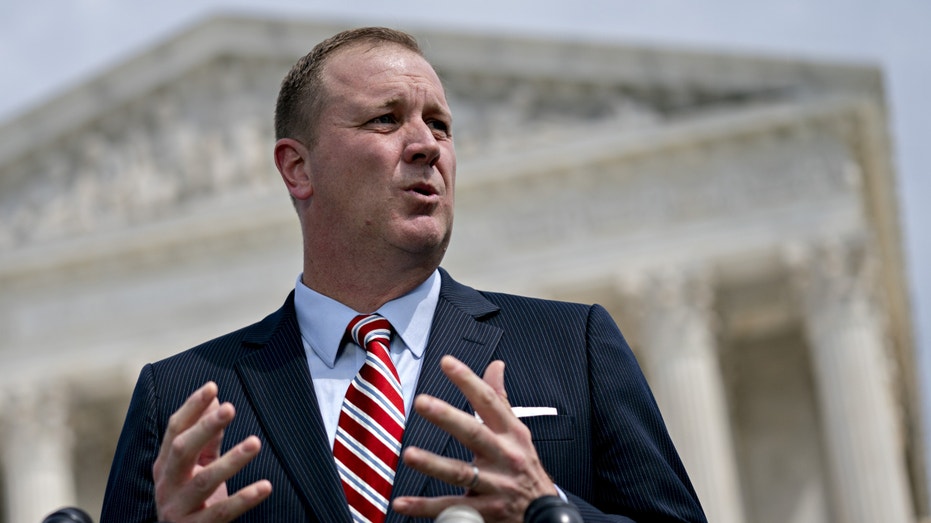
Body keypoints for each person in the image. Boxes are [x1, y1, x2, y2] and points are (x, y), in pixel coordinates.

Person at [100, 27, 706, 523]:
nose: (427, 146)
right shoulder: (179, 399)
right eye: (386, 120)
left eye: (439, 125)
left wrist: (547, 510)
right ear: (297, 168)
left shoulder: (574, 348)